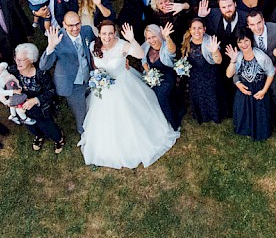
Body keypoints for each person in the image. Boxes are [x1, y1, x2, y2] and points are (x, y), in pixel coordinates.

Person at [80, 21, 180, 167]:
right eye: (104, 33)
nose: (107, 37)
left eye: (110, 33)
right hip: (104, 87)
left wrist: (132, 40)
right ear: (99, 34)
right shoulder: (93, 46)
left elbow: (139, 54)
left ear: (115, 33)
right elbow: (95, 63)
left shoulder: (121, 45)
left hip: (123, 84)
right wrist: (99, 76)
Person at [38, 12, 96, 137]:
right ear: (64, 25)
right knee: (80, 112)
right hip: (72, 84)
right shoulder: (57, 38)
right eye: (70, 26)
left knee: (92, 103)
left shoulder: (87, 30)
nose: (75, 28)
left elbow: (94, 47)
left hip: (89, 77)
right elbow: (44, 66)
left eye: (77, 24)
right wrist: (51, 46)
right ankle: (83, 133)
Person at [12, 42, 65, 153]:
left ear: (31, 60)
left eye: (22, 60)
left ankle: (58, 139)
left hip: (41, 107)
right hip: (24, 108)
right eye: (17, 59)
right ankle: (38, 136)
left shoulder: (41, 73)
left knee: (46, 125)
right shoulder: (14, 71)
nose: (18, 62)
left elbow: (51, 91)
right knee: (29, 124)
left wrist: (35, 100)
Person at [226, 31, 276, 141]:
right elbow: (230, 74)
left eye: (246, 41)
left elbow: (271, 73)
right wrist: (233, 61)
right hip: (243, 88)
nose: (244, 45)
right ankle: (245, 129)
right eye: (240, 42)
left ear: (251, 41)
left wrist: (264, 90)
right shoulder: (237, 56)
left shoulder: (261, 56)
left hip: (259, 88)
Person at [181, 21, 225, 123]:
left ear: (204, 29)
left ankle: (215, 116)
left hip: (210, 73)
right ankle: (201, 116)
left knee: (211, 93)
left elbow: (218, 61)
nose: (197, 31)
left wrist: (214, 51)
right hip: (194, 75)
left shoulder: (210, 41)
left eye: (200, 28)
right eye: (194, 28)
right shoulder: (186, 41)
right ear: (190, 30)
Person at [142, 23, 183, 129]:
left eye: (154, 36)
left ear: (159, 35)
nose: (151, 40)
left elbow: (172, 50)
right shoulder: (146, 46)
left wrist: (167, 37)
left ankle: (172, 122)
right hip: (152, 77)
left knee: (161, 95)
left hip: (167, 77)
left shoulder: (165, 45)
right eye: (148, 38)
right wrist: (148, 72)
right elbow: (143, 60)